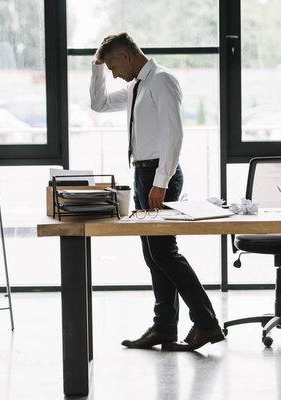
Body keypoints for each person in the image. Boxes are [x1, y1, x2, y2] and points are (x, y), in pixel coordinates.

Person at [89, 32, 225, 351]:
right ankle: (165, 327)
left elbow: (173, 134)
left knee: (164, 252)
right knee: (154, 255)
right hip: (142, 174)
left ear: (125, 55)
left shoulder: (162, 80)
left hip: (158, 176)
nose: (113, 73)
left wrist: (161, 181)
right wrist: (96, 67)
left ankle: (206, 323)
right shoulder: (136, 86)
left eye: (112, 66)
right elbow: (99, 103)